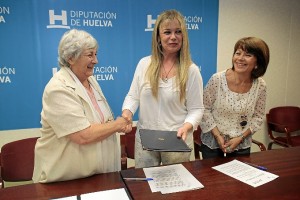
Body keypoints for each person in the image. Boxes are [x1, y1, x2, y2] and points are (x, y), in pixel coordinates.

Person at [32, 29, 130, 183]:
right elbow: (83, 135)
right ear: (71, 57)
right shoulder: (58, 88)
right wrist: (118, 124)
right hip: (67, 181)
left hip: (97, 176)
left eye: (96, 54)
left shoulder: (91, 81)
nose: (96, 60)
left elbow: (101, 122)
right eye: (90, 55)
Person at [121, 10, 204, 168]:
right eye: (167, 32)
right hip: (146, 139)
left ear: (183, 36)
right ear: (158, 37)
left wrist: (187, 126)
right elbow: (132, 96)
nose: (173, 37)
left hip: (177, 139)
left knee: (176, 189)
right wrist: (127, 114)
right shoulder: (144, 64)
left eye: (178, 32)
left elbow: (197, 109)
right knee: (146, 187)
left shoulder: (191, 70)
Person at [200, 37, 270, 159]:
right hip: (213, 145)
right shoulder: (217, 80)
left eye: (247, 55)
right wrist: (217, 136)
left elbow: (258, 117)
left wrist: (240, 138)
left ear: (257, 62)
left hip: (241, 145)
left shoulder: (260, 86)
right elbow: (204, 109)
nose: (240, 58)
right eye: (238, 53)